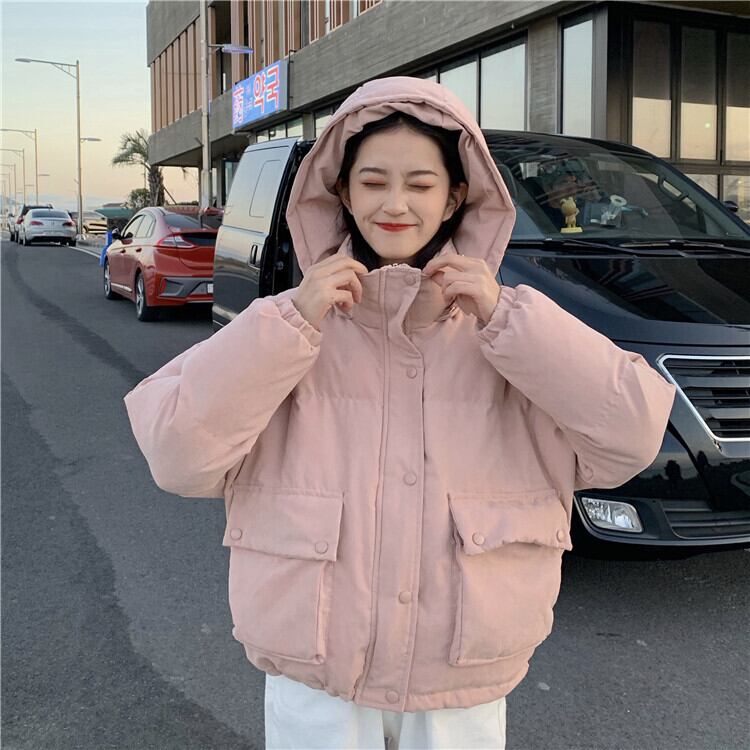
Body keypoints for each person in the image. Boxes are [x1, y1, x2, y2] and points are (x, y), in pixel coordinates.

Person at [123, 77, 677, 749]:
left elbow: (632, 438)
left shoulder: (508, 326)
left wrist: (508, 317)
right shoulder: (288, 323)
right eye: (373, 181)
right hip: (317, 676)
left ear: (456, 196)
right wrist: (291, 321)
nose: (394, 203)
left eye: (420, 184)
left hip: (459, 678)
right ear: (342, 191)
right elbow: (178, 458)